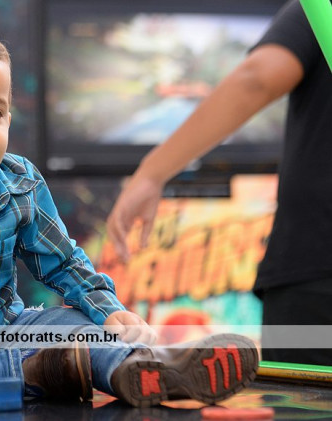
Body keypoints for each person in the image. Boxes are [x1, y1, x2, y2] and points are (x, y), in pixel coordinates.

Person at [0, 24, 258, 405]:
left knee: (76, 322)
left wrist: (110, 312)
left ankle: (142, 367)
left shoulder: (20, 180)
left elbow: (64, 263)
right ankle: (37, 372)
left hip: (5, 331)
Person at [107, 0, 332, 366]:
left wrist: (152, 172)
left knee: (304, 397)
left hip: (317, 269)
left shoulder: (320, 7)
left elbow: (258, 78)